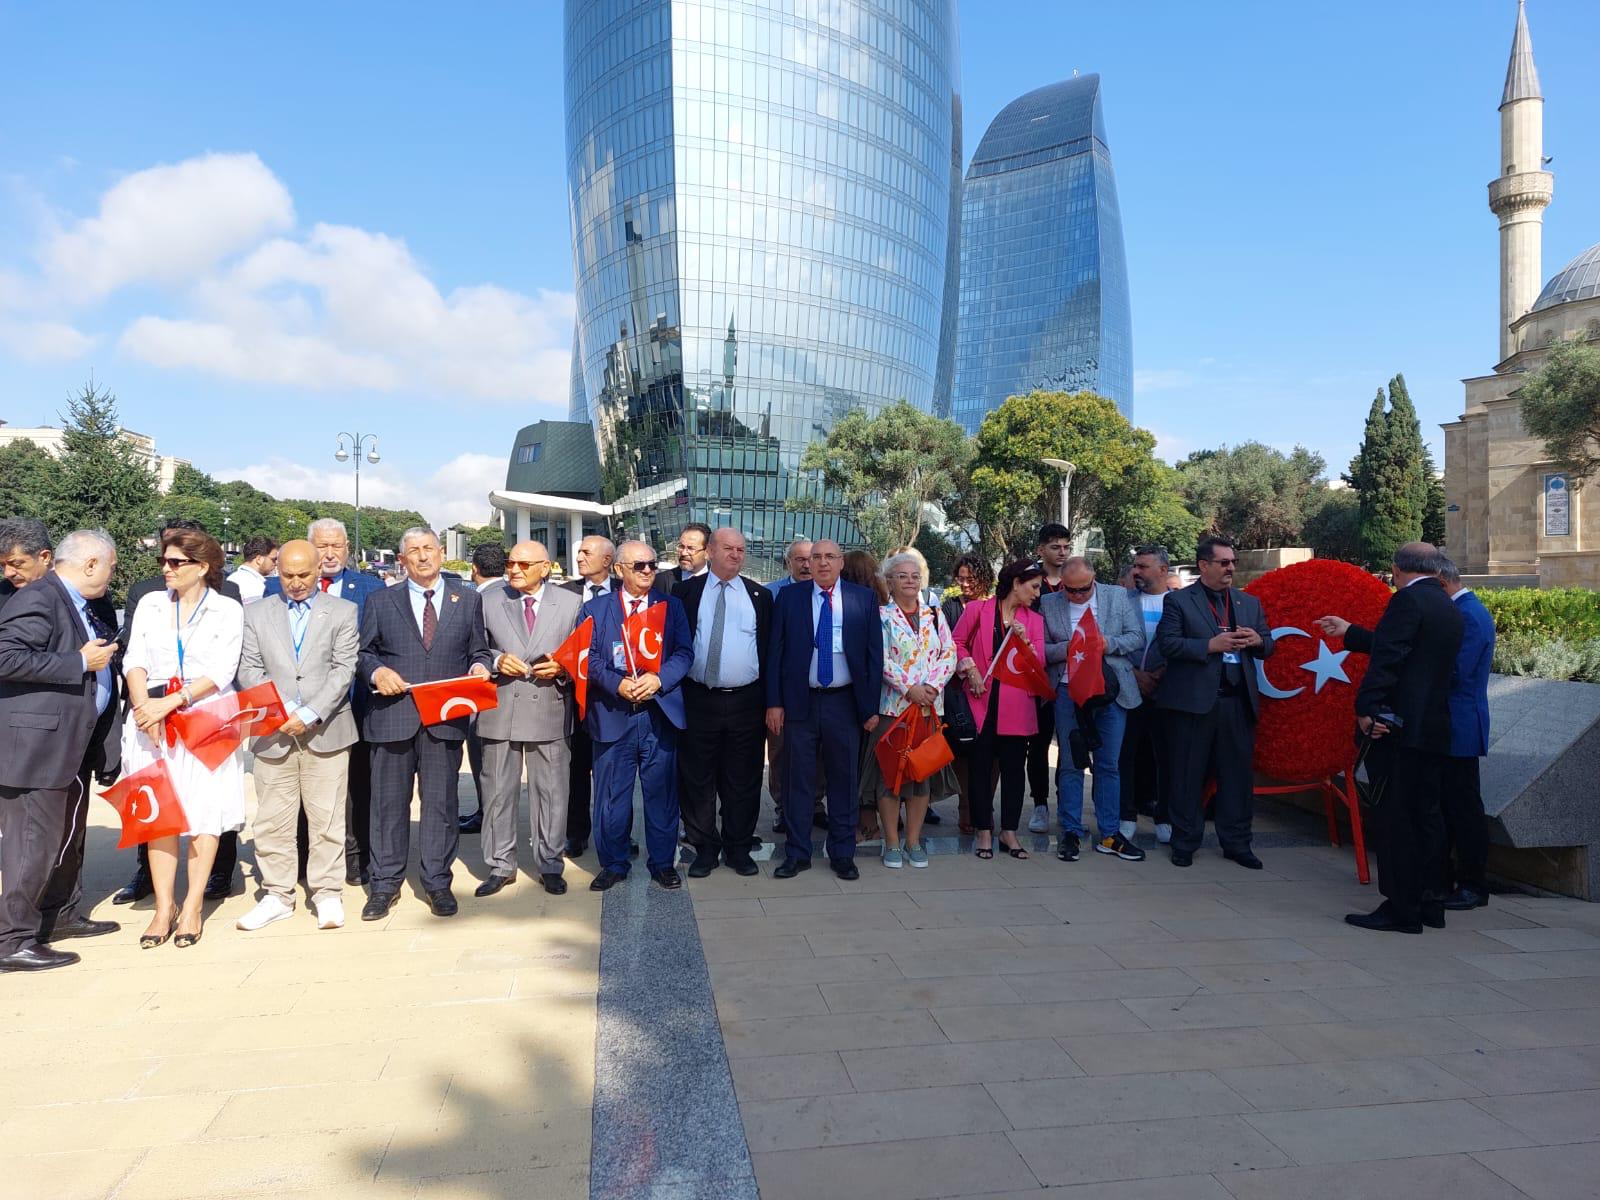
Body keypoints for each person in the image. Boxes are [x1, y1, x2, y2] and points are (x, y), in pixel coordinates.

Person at [1317, 543, 1463, 934]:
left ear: (1397, 570)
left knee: (1397, 818)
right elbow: (1411, 652)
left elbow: (1390, 659)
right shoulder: (1448, 605)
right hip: (1432, 728)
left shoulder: (1407, 602)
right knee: (1428, 817)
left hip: (1396, 728)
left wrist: (1367, 707)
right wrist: (1352, 633)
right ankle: (1431, 902)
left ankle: (1401, 908)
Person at [0, 529, 121, 972]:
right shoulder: (41, 597)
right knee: (32, 844)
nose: (113, 574)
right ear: (91, 564)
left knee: (64, 839)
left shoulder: (81, 603)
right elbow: (4, 655)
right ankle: (12, 939)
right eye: (110, 566)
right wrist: (77, 662)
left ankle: (58, 915)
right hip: (36, 751)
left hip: (71, 746)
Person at [358, 527, 494, 920]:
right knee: (388, 806)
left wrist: (480, 666)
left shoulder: (466, 600)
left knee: (441, 804)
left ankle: (437, 881)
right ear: (401, 560)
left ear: (441, 553)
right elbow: (363, 652)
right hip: (392, 716)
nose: (422, 557)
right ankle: (384, 885)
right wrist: (377, 671)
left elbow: (479, 648)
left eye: (428, 549)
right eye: (413, 551)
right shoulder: (381, 601)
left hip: (444, 719)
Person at [109, 519, 245, 906]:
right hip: (150, 721)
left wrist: (169, 704)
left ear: (201, 567)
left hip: (204, 720)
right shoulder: (152, 604)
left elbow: (221, 670)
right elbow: (133, 659)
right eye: (163, 561)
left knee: (204, 815)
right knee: (159, 815)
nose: (166, 569)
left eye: (175, 562)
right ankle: (164, 905)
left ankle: (192, 904)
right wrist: (143, 709)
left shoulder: (225, 609)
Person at [235, 540, 359, 931]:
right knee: (273, 819)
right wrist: (284, 711)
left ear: (318, 570)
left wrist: (308, 713)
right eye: (287, 575)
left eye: (304, 574)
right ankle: (277, 894)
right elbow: (249, 668)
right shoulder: (255, 614)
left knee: (326, 818)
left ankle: (327, 893)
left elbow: (344, 669)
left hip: (327, 730)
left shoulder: (343, 611)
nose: (296, 583)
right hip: (273, 731)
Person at [267, 518, 385, 887]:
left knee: (355, 789)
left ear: (348, 548)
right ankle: (302, 856)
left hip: (354, 706)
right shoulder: (275, 589)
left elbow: (373, 645)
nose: (329, 553)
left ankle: (355, 855)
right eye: (322, 546)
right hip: (291, 712)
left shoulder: (369, 587)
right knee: (297, 790)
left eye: (337, 546)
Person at [1155, 534, 1275, 870]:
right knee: (1187, 775)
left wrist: (1256, 641)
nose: (1230, 568)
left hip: (1237, 703)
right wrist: (1211, 645)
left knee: (1236, 777)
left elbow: (1269, 644)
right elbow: (1168, 645)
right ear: (1203, 565)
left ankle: (1237, 843)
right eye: (1223, 563)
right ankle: (1184, 842)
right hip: (1194, 704)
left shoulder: (1247, 603)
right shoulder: (1179, 602)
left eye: (1233, 563)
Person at [766, 539, 883, 880]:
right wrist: (774, 702)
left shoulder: (863, 599)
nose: (821, 563)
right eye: (816, 557)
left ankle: (843, 853)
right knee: (797, 781)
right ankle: (797, 853)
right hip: (800, 702)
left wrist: (869, 708)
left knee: (844, 780)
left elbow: (873, 658)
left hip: (844, 703)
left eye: (829, 557)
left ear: (841, 562)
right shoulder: (790, 598)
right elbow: (776, 653)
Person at [583, 540, 693, 891]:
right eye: (639, 566)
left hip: (657, 715)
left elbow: (684, 653)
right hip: (615, 713)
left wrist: (658, 679)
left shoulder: (670, 606)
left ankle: (662, 863)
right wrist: (617, 685)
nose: (648, 571)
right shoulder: (595, 610)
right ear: (619, 570)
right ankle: (614, 863)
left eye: (652, 565)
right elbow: (589, 660)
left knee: (661, 795)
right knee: (612, 797)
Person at [477, 540, 581, 897]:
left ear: (545, 567)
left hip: (549, 707)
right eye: (510, 563)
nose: (514, 569)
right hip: (500, 707)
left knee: (552, 792)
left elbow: (583, 653)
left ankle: (551, 863)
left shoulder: (571, 603)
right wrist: (494, 661)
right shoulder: (488, 600)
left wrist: (563, 668)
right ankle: (500, 865)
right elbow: (472, 648)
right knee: (497, 792)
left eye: (523, 564)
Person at [677, 527, 771, 878]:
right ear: (711, 552)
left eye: (741, 550)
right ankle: (705, 848)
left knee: (743, 778)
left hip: (747, 700)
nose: (736, 554)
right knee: (697, 778)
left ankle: (738, 847)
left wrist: (772, 704)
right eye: (728, 548)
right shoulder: (685, 592)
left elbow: (770, 653)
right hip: (698, 698)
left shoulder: (759, 597)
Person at [1043, 555, 1146, 863]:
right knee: (1072, 763)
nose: (1078, 596)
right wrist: (1070, 648)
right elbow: (1043, 650)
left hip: (1112, 690)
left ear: (1094, 579)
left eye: (1084, 590)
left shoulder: (1116, 596)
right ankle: (1071, 831)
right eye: (1071, 591)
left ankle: (1110, 834)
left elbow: (1136, 637)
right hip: (1068, 691)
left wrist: (1105, 643)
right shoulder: (1049, 604)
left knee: (1108, 764)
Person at [860, 549, 957, 869]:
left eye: (915, 576)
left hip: (929, 708)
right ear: (889, 582)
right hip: (895, 708)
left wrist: (932, 688)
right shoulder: (881, 616)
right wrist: (909, 688)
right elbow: (880, 658)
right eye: (902, 576)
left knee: (921, 777)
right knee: (892, 777)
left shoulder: (934, 613)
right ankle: (891, 842)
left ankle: (914, 841)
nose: (910, 581)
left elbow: (949, 653)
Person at [953, 559, 1046, 859]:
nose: (1036, 593)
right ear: (1016, 582)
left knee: (1014, 769)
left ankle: (1009, 831)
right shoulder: (976, 611)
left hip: (1017, 706)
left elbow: (1039, 664)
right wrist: (970, 669)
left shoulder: (1034, 621)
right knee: (979, 769)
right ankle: (983, 830)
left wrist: (1025, 643)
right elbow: (955, 643)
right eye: (1033, 587)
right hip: (980, 702)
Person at [1439, 557, 1495, 910]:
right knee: (1450, 806)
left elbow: (1456, 672)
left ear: (1443, 582)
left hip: (1459, 725)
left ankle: (1473, 884)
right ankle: (1452, 879)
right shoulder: (1463, 612)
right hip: (1450, 724)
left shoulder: (1469, 615)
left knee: (1464, 809)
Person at [559, 534, 616, 858]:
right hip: (573, 697)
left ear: (607, 560)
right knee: (575, 767)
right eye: (578, 551)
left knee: (613, 771)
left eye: (586, 552)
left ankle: (616, 832)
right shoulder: (564, 592)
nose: (579, 557)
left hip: (613, 696)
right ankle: (576, 833)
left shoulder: (626, 589)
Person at [1122, 545, 1174, 844]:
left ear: (1163, 570)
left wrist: (1159, 675)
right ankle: (1126, 815)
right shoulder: (1123, 601)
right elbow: (1111, 639)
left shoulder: (1181, 602)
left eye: (1143, 566)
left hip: (1166, 691)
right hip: (1130, 689)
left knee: (1165, 756)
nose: (1136, 571)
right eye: (1135, 566)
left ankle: (1164, 815)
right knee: (1125, 755)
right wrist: (1135, 675)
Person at [460, 542, 511, 834]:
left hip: (482, 695)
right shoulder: (512, 594)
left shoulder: (474, 601)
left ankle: (486, 814)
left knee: (484, 762)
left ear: (474, 569)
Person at [1026, 522, 1073, 835]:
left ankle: (1067, 802)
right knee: (1039, 744)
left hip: (1072, 676)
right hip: (1038, 676)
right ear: (1041, 549)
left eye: (1066, 547)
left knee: (1070, 743)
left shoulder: (1077, 581)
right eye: (1055, 547)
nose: (1062, 552)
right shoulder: (1032, 582)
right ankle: (1040, 803)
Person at [765, 537, 813, 833]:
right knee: (780, 750)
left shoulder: (829, 593)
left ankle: (815, 805)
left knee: (815, 752)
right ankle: (783, 806)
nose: (807, 564)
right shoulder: (770, 594)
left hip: (818, 687)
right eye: (800, 559)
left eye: (812, 558)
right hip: (782, 688)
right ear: (788, 563)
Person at [942, 552, 992, 834]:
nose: (964, 584)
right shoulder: (950, 608)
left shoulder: (996, 607)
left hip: (989, 688)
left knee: (991, 753)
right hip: (958, 690)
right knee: (961, 750)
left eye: (970, 579)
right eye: (960, 579)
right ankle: (965, 805)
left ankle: (985, 805)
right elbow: (947, 645)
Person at [0, 517, 55, 612]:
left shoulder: (77, 591)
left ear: (45, 557)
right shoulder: (3, 593)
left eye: (16, 564)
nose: (7, 573)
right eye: (2, 565)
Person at [654, 522, 711, 594]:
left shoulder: (719, 579)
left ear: (707, 552)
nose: (684, 553)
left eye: (691, 548)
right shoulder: (661, 581)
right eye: (681, 547)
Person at [227, 536, 279, 605]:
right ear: (259, 559)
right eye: (273, 559)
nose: (276, 563)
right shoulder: (256, 586)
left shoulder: (231, 578)